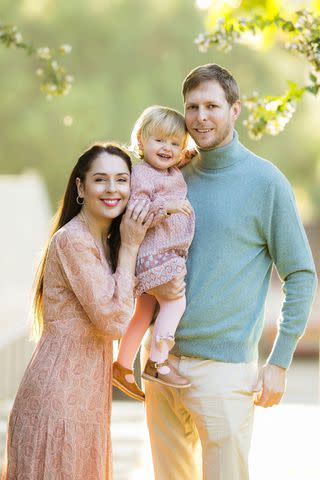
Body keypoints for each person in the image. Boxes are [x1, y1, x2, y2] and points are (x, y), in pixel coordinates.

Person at [141, 64, 318, 480]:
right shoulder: (173, 176)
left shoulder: (265, 182)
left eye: (212, 106)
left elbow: (301, 274)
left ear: (235, 109)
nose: (201, 117)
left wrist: (279, 361)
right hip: (161, 364)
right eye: (193, 107)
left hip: (223, 373)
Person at [1, 142, 154, 479]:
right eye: (101, 179)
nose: (112, 189)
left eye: (121, 180)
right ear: (80, 188)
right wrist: (130, 246)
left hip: (87, 405)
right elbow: (113, 321)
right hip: (58, 403)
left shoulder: (104, 241)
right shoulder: (73, 241)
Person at [112, 106, 195, 401]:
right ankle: (158, 360)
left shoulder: (168, 171)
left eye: (175, 144)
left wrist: (188, 156)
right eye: (159, 141)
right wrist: (167, 207)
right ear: (141, 140)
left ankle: (122, 365)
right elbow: (137, 212)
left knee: (144, 311)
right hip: (155, 255)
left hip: (154, 255)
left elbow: (176, 162)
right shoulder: (142, 175)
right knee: (174, 301)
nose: (167, 149)